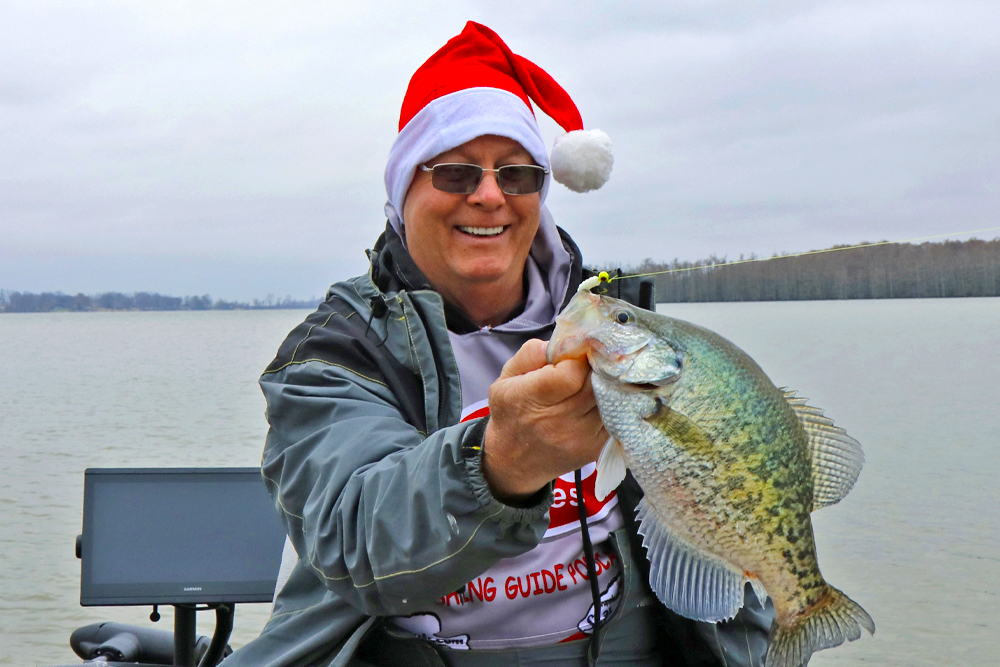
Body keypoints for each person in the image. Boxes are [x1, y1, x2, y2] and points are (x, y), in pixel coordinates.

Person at [222, 21, 772, 667]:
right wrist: (500, 463)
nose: (489, 196)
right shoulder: (335, 351)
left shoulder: (622, 329)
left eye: (517, 174)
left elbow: (731, 486)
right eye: (455, 173)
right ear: (403, 192)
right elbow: (353, 545)